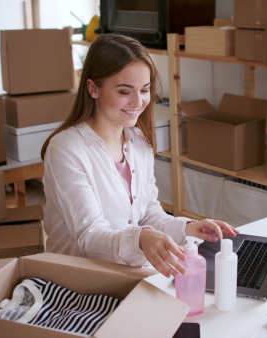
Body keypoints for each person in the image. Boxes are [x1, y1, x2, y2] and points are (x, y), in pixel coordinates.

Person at [41, 33, 238, 278]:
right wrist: (140, 239)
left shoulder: (137, 141)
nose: (138, 101)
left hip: (128, 271)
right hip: (79, 280)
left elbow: (147, 213)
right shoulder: (67, 148)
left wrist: (188, 228)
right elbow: (89, 237)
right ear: (93, 88)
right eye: (125, 91)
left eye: (144, 90)